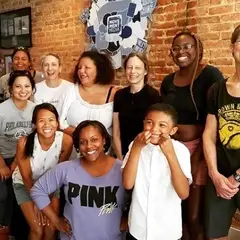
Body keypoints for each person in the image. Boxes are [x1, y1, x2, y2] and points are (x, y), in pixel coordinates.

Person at [160, 31, 225, 240]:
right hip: (173, 149)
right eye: (177, 48)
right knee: (175, 208)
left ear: (198, 49)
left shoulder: (210, 75)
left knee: (194, 215)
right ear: (171, 52)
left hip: (199, 148)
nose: (182, 52)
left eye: (187, 46)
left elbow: (213, 120)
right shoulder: (168, 81)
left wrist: (197, 158)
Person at [30, 120, 126, 240]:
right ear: (78, 146)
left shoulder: (122, 169)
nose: (89, 146)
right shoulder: (66, 168)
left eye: (94, 139)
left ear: (104, 140)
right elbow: (38, 190)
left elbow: (144, 196)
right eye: (83, 142)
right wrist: (55, 220)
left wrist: (130, 219)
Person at [122, 103, 192, 240]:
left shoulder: (180, 150)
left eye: (162, 125)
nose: (154, 129)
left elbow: (183, 193)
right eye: (149, 123)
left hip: (167, 232)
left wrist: (170, 154)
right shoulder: (135, 144)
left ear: (172, 130)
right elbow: (127, 184)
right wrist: (136, 148)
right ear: (143, 124)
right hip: (138, 229)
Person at [12, 103, 73, 240]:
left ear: (57, 123)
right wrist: (38, 202)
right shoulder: (24, 143)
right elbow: (26, 177)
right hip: (25, 184)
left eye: (51, 120)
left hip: (51, 184)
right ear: (34, 124)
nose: (47, 125)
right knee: (38, 229)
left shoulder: (66, 141)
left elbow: (59, 173)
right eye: (41, 120)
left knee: (51, 226)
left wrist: (46, 200)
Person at [203, 25, 240, 240]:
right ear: (231, 48)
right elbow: (209, 135)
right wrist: (214, 174)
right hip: (220, 177)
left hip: (234, 177)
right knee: (215, 235)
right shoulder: (217, 90)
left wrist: (236, 177)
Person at [0, 70, 36, 236]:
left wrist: (16, 163)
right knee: (3, 195)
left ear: (32, 88)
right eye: (18, 86)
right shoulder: (2, 110)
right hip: (2, 157)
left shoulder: (35, 110)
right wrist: (2, 165)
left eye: (27, 86)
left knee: (21, 196)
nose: (23, 90)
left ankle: (19, 231)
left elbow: (34, 139)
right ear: (10, 88)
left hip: (24, 157)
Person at [113, 52, 160, 160]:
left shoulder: (153, 96)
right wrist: (120, 158)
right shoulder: (119, 95)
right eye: (129, 67)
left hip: (146, 155)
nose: (133, 71)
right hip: (124, 154)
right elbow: (116, 131)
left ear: (145, 71)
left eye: (138, 68)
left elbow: (155, 130)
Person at [59, 50, 118, 137]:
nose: (81, 71)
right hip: (73, 147)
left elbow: (118, 130)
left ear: (99, 69)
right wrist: (82, 136)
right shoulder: (71, 90)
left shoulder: (114, 93)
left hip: (104, 149)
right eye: (79, 67)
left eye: (86, 67)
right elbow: (58, 121)